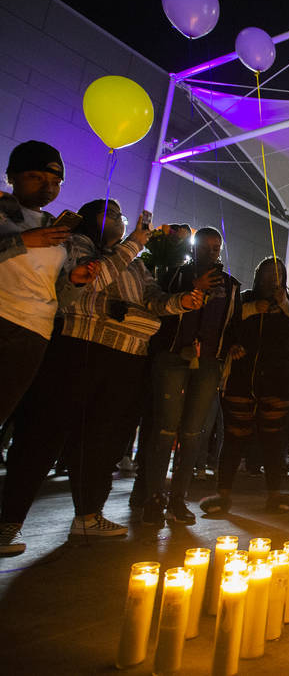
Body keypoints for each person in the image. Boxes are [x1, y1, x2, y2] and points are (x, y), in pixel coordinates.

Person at [0, 199, 201, 555]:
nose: (122, 223)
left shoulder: (136, 264)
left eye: (123, 219)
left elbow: (153, 299)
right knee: (44, 433)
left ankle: (88, 515)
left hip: (127, 356)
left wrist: (181, 302)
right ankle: (8, 522)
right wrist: (135, 243)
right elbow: (88, 285)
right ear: (96, 217)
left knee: (104, 440)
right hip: (79, 348)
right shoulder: (77, 245)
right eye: (115, 216)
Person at [143, 227, 241, 526]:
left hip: (208, 363)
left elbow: (234, 322)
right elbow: (160, 308)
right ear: (194, 247)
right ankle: (153, 499)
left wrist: (233, 345)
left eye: (217, 246)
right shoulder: (174, 275)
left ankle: (178, 499)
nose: (212, 251)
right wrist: (191, 285)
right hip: (173, 359)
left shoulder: (231, 285)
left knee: (192, 433)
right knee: (164, 430)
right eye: (206, 245)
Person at [0, 141, 95, 425]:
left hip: (34, 331)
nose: (47, 187)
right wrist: (22, 241)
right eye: (36, 177)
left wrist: (75, 283)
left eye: (55, 182)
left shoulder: (56, 226)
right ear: (12, 176)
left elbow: (55, 294)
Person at [200, 258, 289, 516]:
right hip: (241, 379)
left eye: (278, 274)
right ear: (257, 275)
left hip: (277, 380)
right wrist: (252, 312)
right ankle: (223, 494)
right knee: (233, 437)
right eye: (267, 274)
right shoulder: (242, 299)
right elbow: (226, 326)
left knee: (274, 440)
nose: (273, 279)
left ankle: (275, 494)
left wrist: (284, 305)